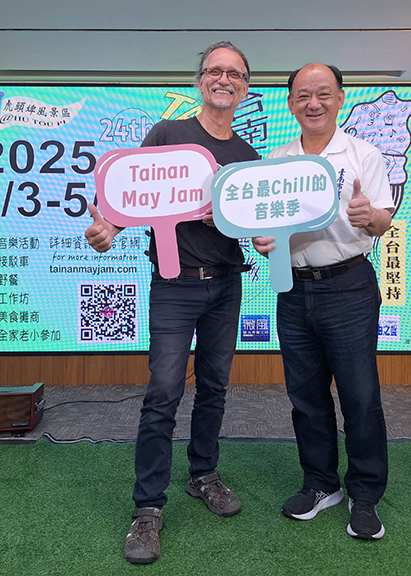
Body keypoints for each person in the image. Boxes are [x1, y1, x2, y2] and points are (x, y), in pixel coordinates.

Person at [84, 41, 259, 565]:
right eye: (214, 71)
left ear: (246, 87)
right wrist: (109, 230)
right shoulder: (167, 135)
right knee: (163, 391)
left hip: (227, 283)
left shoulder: (247, 157)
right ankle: (148, 507)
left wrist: (253, 230)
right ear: (200, 81)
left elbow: (254, 226)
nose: (224, 79)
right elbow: (132, 198)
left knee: (215, 386)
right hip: (174, 283)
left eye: (235, 73)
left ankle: (203, 475)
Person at [253, 63, 394, 540]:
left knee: (360, 394)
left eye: (323, 93)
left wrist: (370, 215)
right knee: (305, 394)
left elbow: (382, 220)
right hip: (293, 287)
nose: (313, 103)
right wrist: (262, 242)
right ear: (291, 103)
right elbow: (265, 229)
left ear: (340, 98)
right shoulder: (277, 160)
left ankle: (365, 493)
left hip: (348, 285)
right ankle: (320, 483)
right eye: (303, 95)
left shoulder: (363, 154)